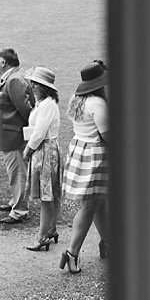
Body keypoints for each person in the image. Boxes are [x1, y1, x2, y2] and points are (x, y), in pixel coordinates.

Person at [59, 60, 111, 274]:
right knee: (90, 206)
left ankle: (108, 243)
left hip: (80, 151)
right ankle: (71, 253)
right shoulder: (98, 104)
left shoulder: (77, 99)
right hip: (96, 155)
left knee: (98, 202)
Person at [0, 48, 34, 224]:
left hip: (14, 136)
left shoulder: (14, 80)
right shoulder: (13, 76)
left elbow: (26, 110)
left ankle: (20, 210)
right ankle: (16, 201)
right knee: (15, 171)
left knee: (18, 173)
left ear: (3, 63)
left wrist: (26, 133)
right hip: (12, 135)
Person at [21, 67, 62, 251]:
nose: (33, 87)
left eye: (36, 85)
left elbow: (39, 132)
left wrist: (28, 150)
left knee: (47, 195)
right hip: (46, 150)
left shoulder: (46, 105)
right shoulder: (44, 104)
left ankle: (42, 236)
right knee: (51, 193)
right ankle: (51, 229)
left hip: (44, 150)